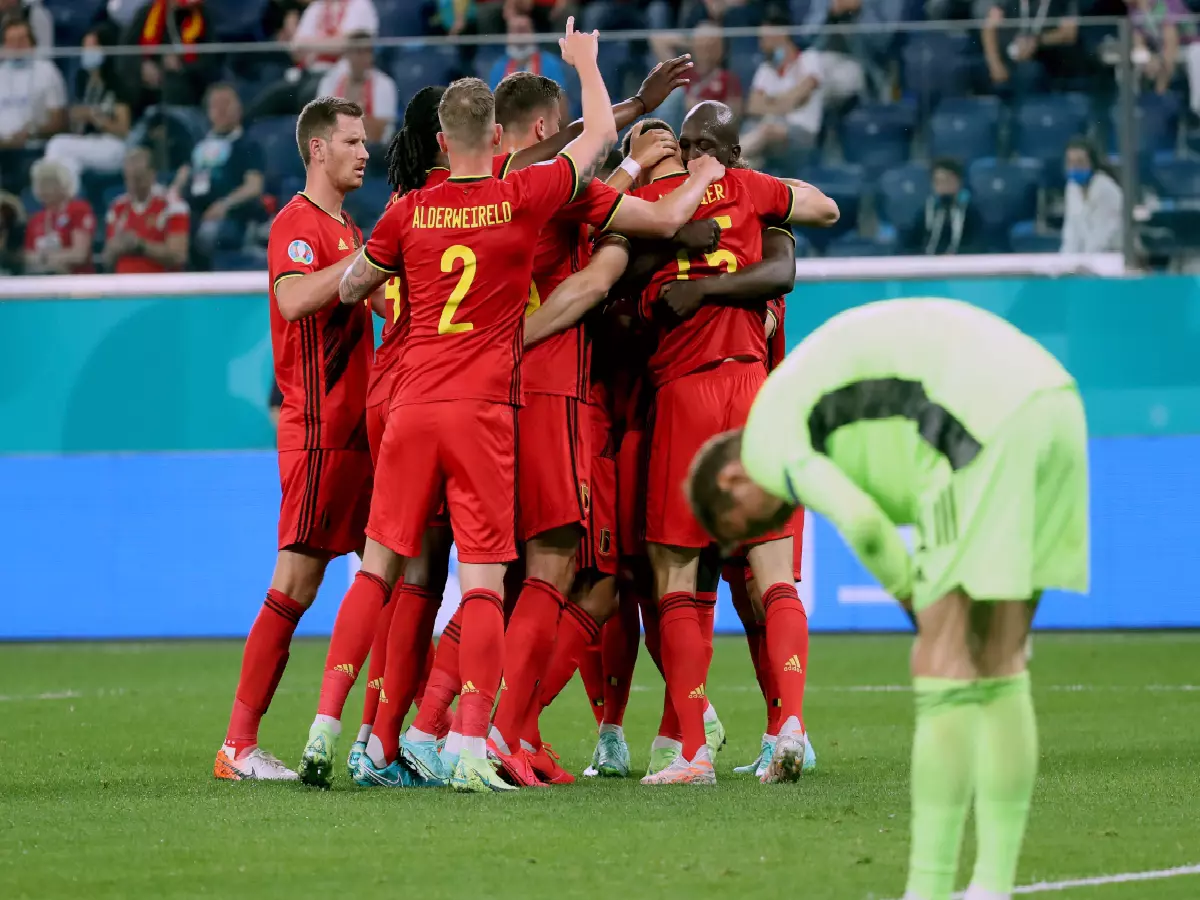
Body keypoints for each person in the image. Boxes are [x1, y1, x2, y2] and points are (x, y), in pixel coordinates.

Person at [687, 297, 1088, 900]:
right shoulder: (800, 393)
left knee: (942, 666)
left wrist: (912, 599)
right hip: (1054, 404)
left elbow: (865, 523)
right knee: (1002, 668)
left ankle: (928, 889)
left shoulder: (766, 437)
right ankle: (992, 884)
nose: (749, 540)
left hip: (978, 426)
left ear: (730, 481)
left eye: (737, 529)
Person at [325, 19, 619, 794]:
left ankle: (346, 733)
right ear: (495, 135)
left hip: (410, 400)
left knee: (387, 571)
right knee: (485, 581)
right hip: (484, 407)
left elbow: (356, 284)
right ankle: (462, 741)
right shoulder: (522, 193)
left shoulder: (408, 210)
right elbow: (600, 140)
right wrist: (585, 64)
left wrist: (386, 291)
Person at [482, 70, 723, 788]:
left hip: (530, 400)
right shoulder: (554, 186)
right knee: (565, 570)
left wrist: (638, 124)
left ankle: (477, 730)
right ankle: (500, 728)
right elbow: (602, 264)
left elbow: (585, 171)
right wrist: (691, 179)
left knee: (557, 577)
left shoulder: (498, 180)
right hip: (557, 393)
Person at [622, 100, 836, 787]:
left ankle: (692, 752)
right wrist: (765, 196)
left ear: (687, 149)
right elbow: (825, 210)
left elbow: (595, 226)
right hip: (753, 393)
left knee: (677, 577)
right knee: (772, 575)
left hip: (685, 395)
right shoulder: (754, 195)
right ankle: (791, 724)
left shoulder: (656, 202)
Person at [213, 96, 371, 782]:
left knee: (396, 579)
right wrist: (373, 261)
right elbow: (296, 299)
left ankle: (388, 740)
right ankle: (238, 745)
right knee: (296, 583)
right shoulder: (297, 225)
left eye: (366, 142)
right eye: (352, 141)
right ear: (317, 150)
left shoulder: (349, 226)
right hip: (317, 431)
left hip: (365, 433)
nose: (364, 152)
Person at [171, 83, 265, 266]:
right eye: (215, 105)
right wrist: (170, 199)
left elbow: (254, 186)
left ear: (238, 108)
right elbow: (181, 178)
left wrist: (224, 204)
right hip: (193, 212)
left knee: (209, 233)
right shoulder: (198, 145)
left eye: (226, 104)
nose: (221, 110)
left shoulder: (247, 145)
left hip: (227, 214)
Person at [45, 24, 133, 180]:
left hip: (113, 145)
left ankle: (54, 196)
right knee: (69, 162)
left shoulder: (117, 83)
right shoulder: (84, 81)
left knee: (57, 144)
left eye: (92, 47)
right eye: (85, 47)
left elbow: (123, 130)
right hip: (90, 142)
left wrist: (94, 117)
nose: (87, 52)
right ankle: (67, 201)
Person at [740, 10, 825, 168]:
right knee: (753, 151)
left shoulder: (809, 59)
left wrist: (770, 101)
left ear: (781, 34)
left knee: (766, 130)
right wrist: (784, 102)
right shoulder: (766, 68)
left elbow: (797, 98)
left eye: (764, 38)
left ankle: (724, 161)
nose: (760, 44)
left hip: (802, 133)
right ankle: (738, 165)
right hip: (770, 133)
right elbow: (752, 106)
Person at [0, 16, 66, 190]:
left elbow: (58, 120)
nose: (17, 46)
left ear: (32, 43)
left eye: (22, 40)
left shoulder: (47, 71)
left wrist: (31, 132)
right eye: (12, 41)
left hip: (32, 147)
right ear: (4, 46)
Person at [103, 146, 190, 274]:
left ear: (152, 175)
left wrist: (140, 245)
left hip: (158, 286)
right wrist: (116, 248)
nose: (133, 185)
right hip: (123, 285)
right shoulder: (117, 207)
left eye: (138, 178)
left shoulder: (173, 206)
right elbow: (107, 258)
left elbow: (178, 256)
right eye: (129, 179)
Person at [121, 0, 218, 111]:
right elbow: (124, 53)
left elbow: (212, 59)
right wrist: (141, 66)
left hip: (187, 85)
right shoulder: (146, 12)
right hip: (146, 88)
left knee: (174, 85)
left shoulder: (201, 14)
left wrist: (182, 65)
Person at [981, 0, 1083, 95]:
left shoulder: (1063, 2)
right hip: (1007, 61)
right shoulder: (1007, 3)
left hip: (1048, 61)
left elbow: (1070, 33)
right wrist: (995, 65)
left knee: (1031, 71)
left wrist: (1036, 41)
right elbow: (989, 28)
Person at [315, 31, 398, 145]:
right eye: (358, 52)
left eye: (367, 52)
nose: (363, 58)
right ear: (347, 54)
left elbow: (377, 132)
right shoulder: (330, 82)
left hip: (372, 149)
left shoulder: (384, 85)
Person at [22, 158, 95, 275]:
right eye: (39, 183)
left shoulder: (78, 209)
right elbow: (27, 257)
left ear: (63, 184)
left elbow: (79, 254)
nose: (42, 188)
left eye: (48, 183)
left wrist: (44, 259)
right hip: (42, 280)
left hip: (76, 279)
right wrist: (53, 260)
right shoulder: (36, 219)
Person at [903, 158, 985, 256]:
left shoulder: (971, 211)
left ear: (959, 182)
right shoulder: (926, 210)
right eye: (938, 182)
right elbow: (911, 243)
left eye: (947, 181)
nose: (943, 186)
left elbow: (977, 243)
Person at [1060, 137, 1122, 254]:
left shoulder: (1105, 188)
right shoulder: (1071, 187)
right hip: (1087, 258)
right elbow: (1071, 231)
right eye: (1070, 163)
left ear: (1091, 164)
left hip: (1113, 254)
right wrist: (1065, 263)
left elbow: (1102, 236)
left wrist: (1085, 264)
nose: (1075, 168)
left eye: (1080, 162)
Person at [487, 11, 568, 90]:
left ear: (533, 33)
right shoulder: (499, 67)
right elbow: (493, 101)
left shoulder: (550, 63)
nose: (520, 36)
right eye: (515, 31)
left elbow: (561, 100)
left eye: (524, 30)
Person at [683, 21, 743, 120]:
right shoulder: (682, 73)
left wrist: (698, 106)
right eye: (701, 45)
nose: (706, 52)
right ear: (693, 46)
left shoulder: (729, 78)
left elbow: (734, 112)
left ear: (721, 49)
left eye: (711, 46)